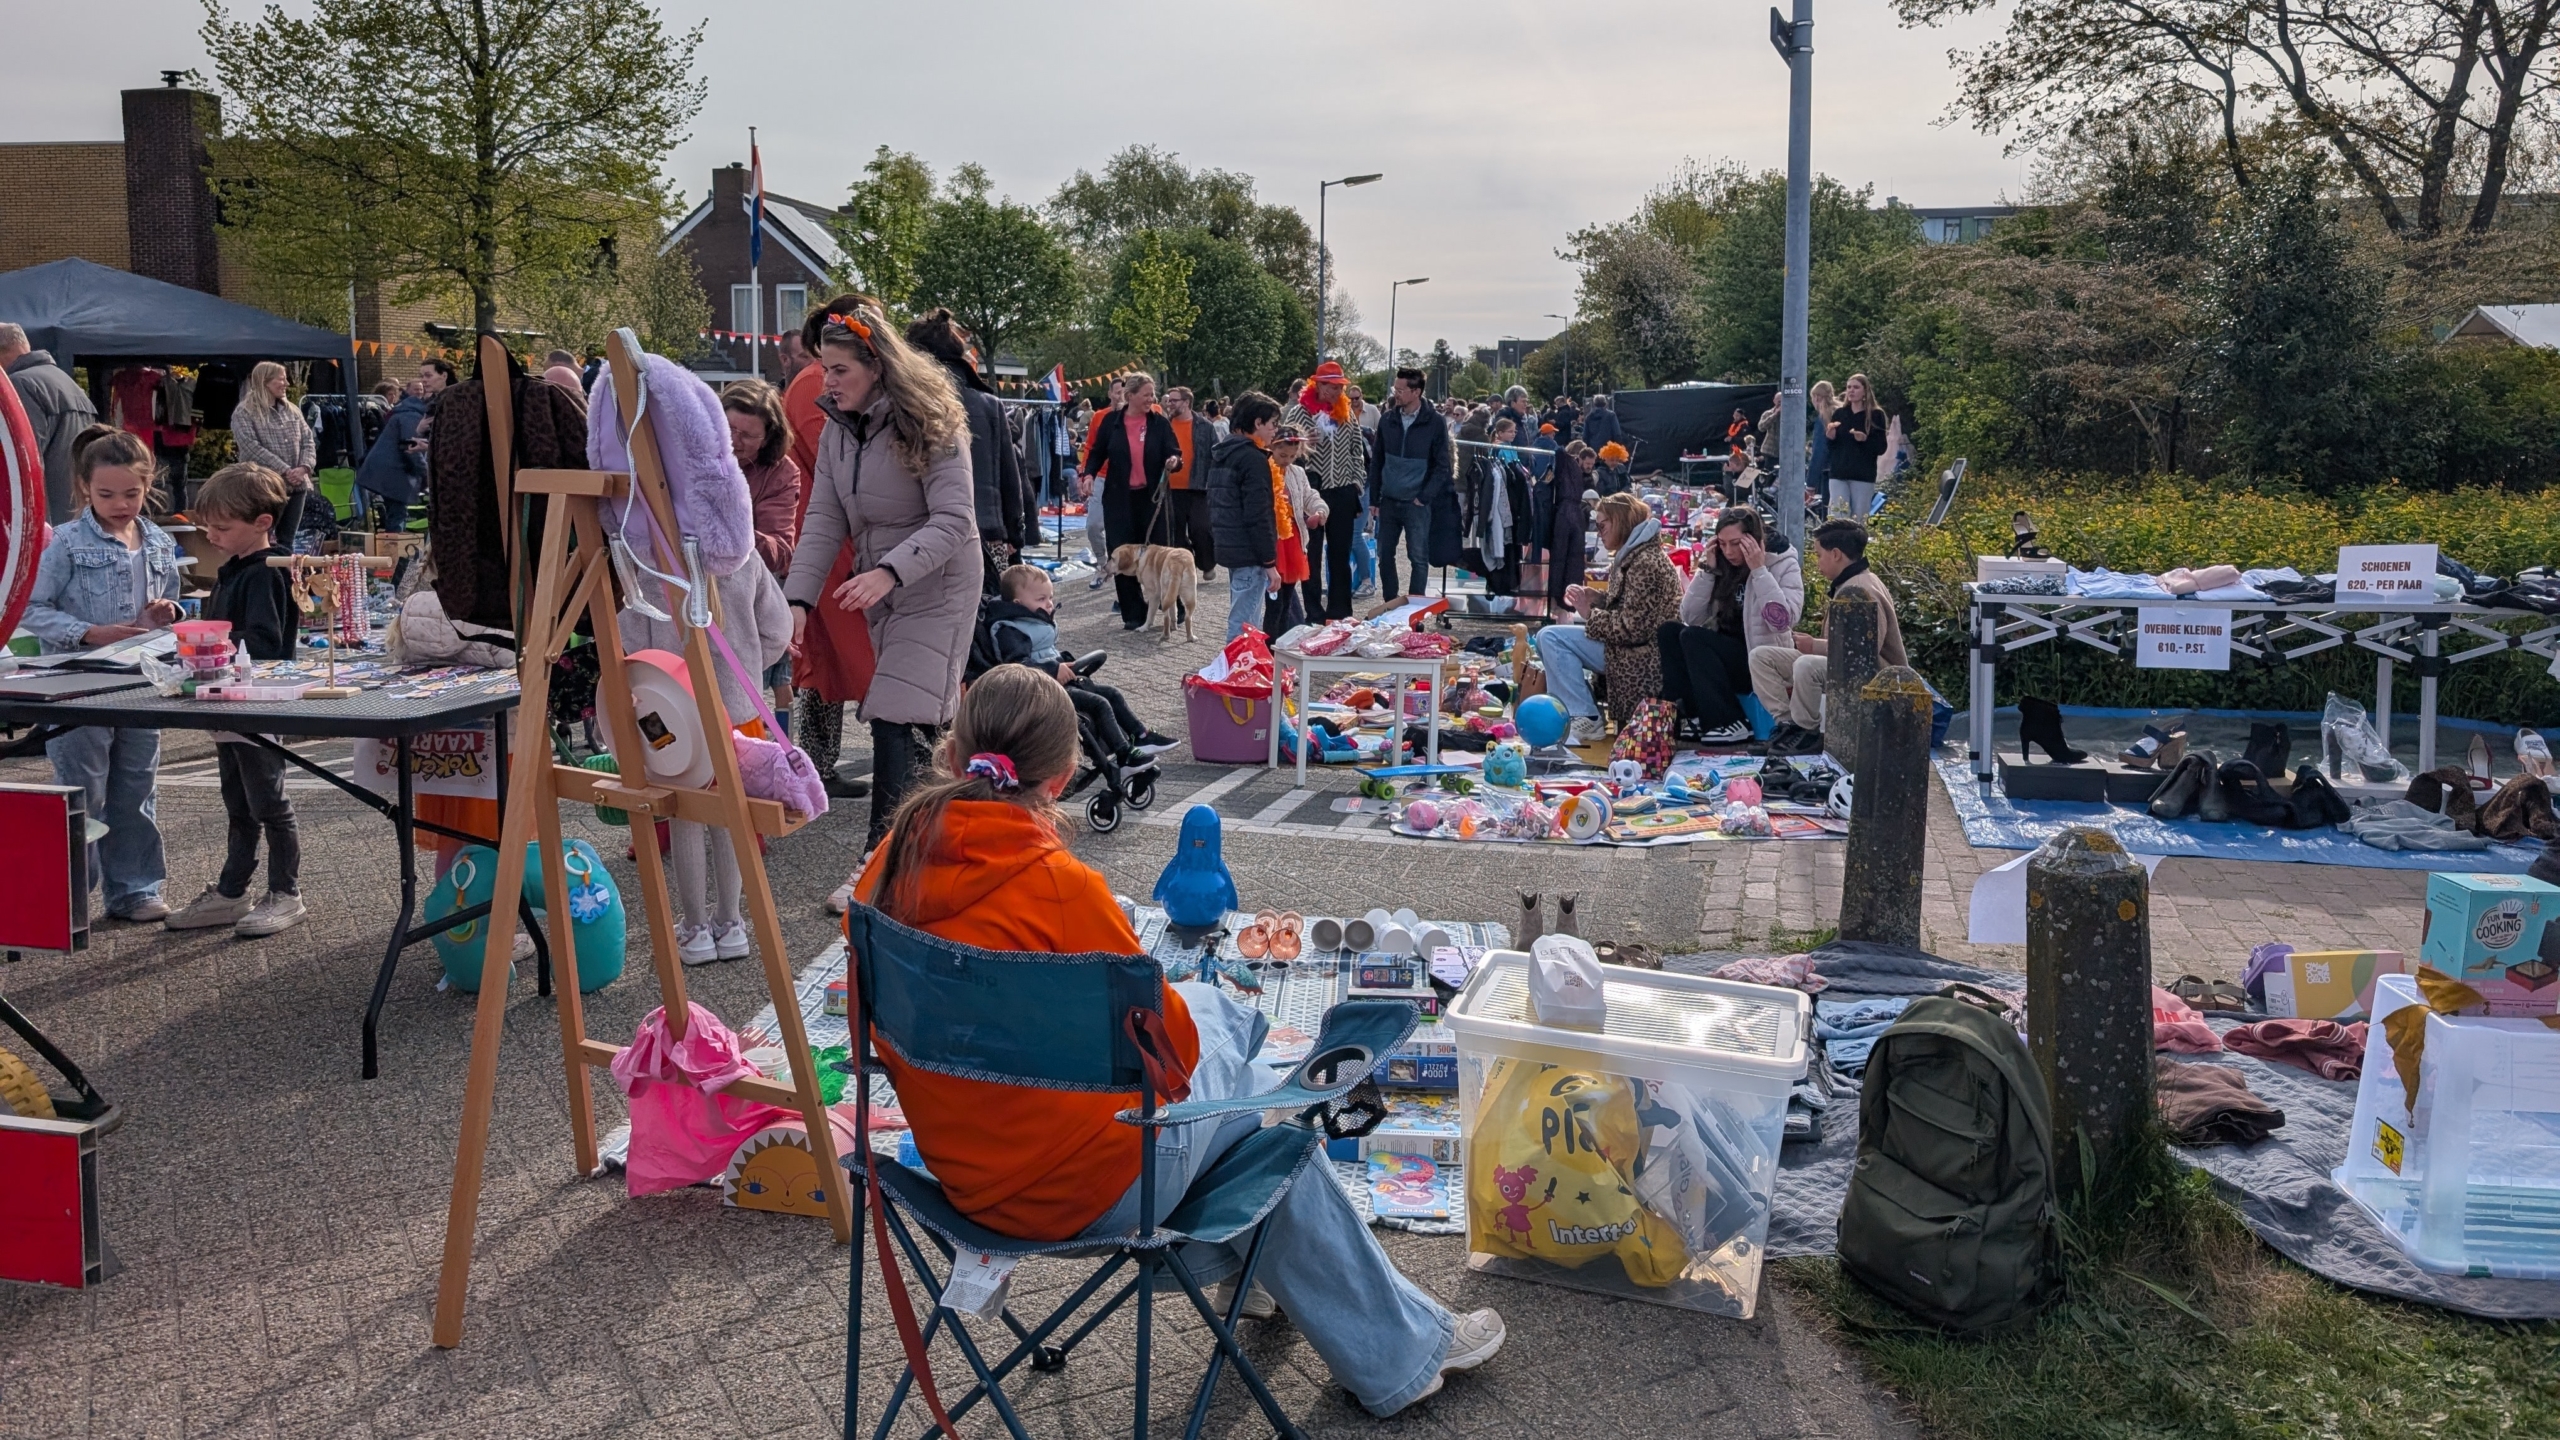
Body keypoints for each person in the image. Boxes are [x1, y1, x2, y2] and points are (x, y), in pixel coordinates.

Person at [850, 664, 1506, 1418]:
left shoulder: (887, 867)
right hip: (1091, 1192)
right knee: (1250, 1072)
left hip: (962, 1175)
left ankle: (1287, 1295)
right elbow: (1174, 1060)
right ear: (1060, 778)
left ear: (954, 749)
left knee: (1250, 1105)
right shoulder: (1061, 889)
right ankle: (1393, 1354)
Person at [785, 302, 977, 862]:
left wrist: (889, 571)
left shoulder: (931, 420)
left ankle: (880, 860)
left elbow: (955, 520)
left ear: (877, 366)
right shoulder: (839, 431)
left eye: (839, 370)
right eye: (824, 368)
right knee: (918, 719)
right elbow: (823, 521)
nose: (827, 381)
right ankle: (935, 842)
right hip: (886, 589)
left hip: (938, 584)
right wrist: (797, 601)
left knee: (896, 712)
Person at [20, 430, 182, 920]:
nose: (120, 505)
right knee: (81, 789)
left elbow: (171, 601)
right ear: (84, 488)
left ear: (148, 485)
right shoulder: (65, 542)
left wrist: (166, 613)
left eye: (131, 493)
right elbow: (29, 607)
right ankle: (69, 899)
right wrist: (88, 632)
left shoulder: (159, 540)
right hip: (76, 685)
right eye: (106, 494)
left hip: (140, 681)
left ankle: (135, 890)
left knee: (136, 787)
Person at [623, 532, 794, 963]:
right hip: (738, 711)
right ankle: (731, 922)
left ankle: (696, 928)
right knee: (732, 817)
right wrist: (748, 669)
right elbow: (778, 629)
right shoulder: (742, 554)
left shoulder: (650, 559)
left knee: (685, 817)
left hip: (676, 713)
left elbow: (630, 637)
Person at [165, 463, 306, 937]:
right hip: (228, 699)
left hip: (256, 700)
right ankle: (232, 891)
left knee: (268, 802)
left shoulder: (267, 571)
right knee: (238, 801)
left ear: (262, 522)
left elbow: (266, 642)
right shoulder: (234, 569)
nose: (212, 535)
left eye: (222, 528)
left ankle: (285, 892)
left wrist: (210, 642)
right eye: (209, 526)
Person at [779, 297, 871, 802]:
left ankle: (819, 762)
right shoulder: (817, 382)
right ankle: (821, 762)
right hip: (828, 540)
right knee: (837, 654)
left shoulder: (813, 378)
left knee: (826, 656)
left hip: (828, 535)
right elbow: (840, 462)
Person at [986, 565, 1177, 769]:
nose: (1049, 604)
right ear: (1018, 603)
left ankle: (1140, 736)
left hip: (1055, 682)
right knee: (1099, 703)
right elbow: (1018, 668)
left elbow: (1044, 653)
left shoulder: (1033, 621)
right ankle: (1123, 754)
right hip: (1036, 692)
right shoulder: (1010, 630)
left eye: (1050, 597)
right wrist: (1053, 669)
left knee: (1111, 693)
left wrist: (1063, 663)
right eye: (1041, 599)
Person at [1532, 492, 1681, 748]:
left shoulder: (1644, 562)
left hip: (1641, 658)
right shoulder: (1637, 555)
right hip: (1638, 651)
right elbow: (1632, 611)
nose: (1599, 532)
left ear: (1620, 522)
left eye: (1602, 525)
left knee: (1551, 637)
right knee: (1551, 637)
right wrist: (1597, 599)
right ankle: (1580, 712)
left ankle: (1584, 715)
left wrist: (1589, 612)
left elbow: (1632, 629)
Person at [1749, 518, 1907, 756]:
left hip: (1877, 674)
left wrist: (1814, 646)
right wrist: (1814, 644)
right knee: (1762, 657)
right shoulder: (1850, 582)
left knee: (1806, 664)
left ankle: (1807, 732)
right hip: (1845, 664)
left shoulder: (1861, 589)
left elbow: (1863, 652)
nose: (1817, 562)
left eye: (1818, 555)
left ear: (1835, 554)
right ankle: (1788, 726)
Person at [1657, 507, 1803, 745]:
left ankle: (1729, 721)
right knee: (1670, 632)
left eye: (1736, 544)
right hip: (1725, 654)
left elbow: (1782, 622)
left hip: (1761, 661)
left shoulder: (1782, 563)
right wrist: (1707, 570)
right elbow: (1690, 616)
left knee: (1694, 638)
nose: (1729, 552)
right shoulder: (1722, 563)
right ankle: (1692, 716)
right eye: (1722, 544)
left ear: (1753, 540)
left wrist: (1759, 570)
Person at [904, 309, 1025, 596]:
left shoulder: (906, 404)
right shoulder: (989, 404)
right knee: (987, 611)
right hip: (987, 529)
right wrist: (1014, 533)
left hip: (921, 535)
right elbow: (1010, 474)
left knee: (929, 613)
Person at [722, 379, 804, 722]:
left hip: (745, 594)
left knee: (753, 684)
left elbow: (781, 549)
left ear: (768, 438)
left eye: (747, 435)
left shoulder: (782, 473)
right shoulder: (693, 454)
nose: (734, 441)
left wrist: (731, 524)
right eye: (729, 428)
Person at [1083, 371, 1178, 630]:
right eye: (1146, 395)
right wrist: (1088, 474)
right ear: (1131, 395)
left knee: (1160, 553)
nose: (1151, 399)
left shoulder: (1159, 422)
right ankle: (1133, 613)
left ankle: (1170, 605)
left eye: (1152, 394)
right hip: (1119, 498)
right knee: (1123, 554)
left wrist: (1173, 461)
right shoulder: (1111, 422)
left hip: (1152, 498)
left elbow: (1174, 451)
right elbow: (1096, 453)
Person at [1280, 361, 1368, 616]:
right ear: (1317, 385)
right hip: (1311, 491)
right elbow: (1284, 451)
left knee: (1340, 554)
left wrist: (1356, 482)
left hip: (1342, 490)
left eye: (1340, 387)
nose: (1336, 392)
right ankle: (1314, 614)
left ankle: (1340, 613)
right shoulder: (1299, 413)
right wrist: (1304, 444)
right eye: (1331, 386)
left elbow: (1357, 450)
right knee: (1312, 556)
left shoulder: (1346, 412)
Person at [1205, 390, 1286, 643]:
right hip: (1249, 551)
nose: (1276, 430)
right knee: (1244, 627)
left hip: (1231, 547)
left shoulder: (1223, 453)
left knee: (1245, 620)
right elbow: (1258, 514)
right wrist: (1269, 562)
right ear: (1257, 423)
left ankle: (1242, 663)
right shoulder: (1252, 459)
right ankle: (1236, 666)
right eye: (1273, 424)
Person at [1365, 367, 1451, 606]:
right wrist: (1374, 498)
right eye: (1395, 389)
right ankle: (1390, 604)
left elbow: (1442, 464)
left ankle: (1414, 610)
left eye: (1401, 390)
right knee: (1385, 555)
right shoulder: (1387, 419)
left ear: (1416, 392)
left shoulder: (1435, 422)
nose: (1396, 394)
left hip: (1417, 503)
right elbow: (1377, 460)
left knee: (1418, 558)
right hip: (1389, 500)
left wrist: (1424, 497)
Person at [0, 322, 100, 523]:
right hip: (76, 515)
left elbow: (22, 462)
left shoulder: (19, 385)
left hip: (43, 521)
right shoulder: (67, 383)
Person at [229, 361, 318, 543]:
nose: (287, 384)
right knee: (260, 539)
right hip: (263, 486)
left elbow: (308, 440)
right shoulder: (244, 412)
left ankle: (283, 564)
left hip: (296, 486)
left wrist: (304, 467)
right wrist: (285, 469)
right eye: (282, 379)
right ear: (265, 381)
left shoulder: (293, 410)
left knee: (287, 540)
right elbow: (251, 447)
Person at [354, 377, 431, 532]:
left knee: (395, 513)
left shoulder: (405, 412)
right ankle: (394, 545)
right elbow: (411, 447)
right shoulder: (412, 416)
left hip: (388, 471)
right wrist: (426, 474)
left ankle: (391, 542)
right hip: (393, 472)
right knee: (397, 515)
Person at [1160, 385, 1219, 577]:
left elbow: (1216, 455)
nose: (1169, 404)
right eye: (1169, 400)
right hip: (1170, 489)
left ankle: (1207, 563)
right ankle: (1187, 563)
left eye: (1174, 400)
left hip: (1198, 487)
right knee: (1175, 532)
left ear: (1186, 402)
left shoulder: (1205, 427)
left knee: (1201, 529)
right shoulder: (1163, 425)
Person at [1267, 425, 1320, 634]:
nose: (1287, 460)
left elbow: (1309, 495)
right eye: (1282, 455)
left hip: (1292, 539)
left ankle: (1280, 639)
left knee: (1286, 599)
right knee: (1273, 600)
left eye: (1292, 456)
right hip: (1273, 540)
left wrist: (1320, 510)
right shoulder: (1263, 469)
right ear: (1272, 447)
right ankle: (1270, 641)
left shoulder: (1297, 472)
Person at [1824, 373, 1890, 523]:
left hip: (1862, 475)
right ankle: (1838, 538)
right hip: (1839, 472)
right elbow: (1831, 448)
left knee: (1859, 518)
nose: (1851, 391)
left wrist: (1865, 439)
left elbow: (1881, 448)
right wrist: (1831, 437)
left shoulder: (1875, 415)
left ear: (1865, 391)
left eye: (1856, 387)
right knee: (1838, 516)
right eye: (1849, 387)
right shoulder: (1840, 414)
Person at [1078, 381, 1122, 588]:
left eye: (1125, 392)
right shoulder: (1100, 416)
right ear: (1110, 394)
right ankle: (1103, 564)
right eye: (1118, 392)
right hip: (1102, 476)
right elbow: (1091, 447)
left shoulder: (1141, 416)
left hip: (1126, 479)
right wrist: (1085, 475)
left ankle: (1127, 574)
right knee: (1094, 525)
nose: (1121, 396)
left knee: (1122, 529)